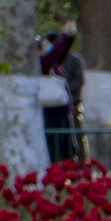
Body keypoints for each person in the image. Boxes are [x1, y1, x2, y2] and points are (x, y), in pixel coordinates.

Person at [40, 31, 79, 162]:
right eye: (44, 45)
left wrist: (70, 37)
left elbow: (62, 53)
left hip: (62, 111)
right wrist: (61, 36)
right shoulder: (43, 63)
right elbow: (55, 52)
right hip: (52, 113)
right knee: (55, 149)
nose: (47, 47)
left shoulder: (53, 64)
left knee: (66, 148)